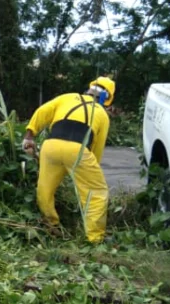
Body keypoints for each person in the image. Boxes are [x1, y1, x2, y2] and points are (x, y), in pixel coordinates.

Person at [21, 77, 115, 244]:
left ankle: (51, 227)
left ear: (88, 89)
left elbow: (42, 112)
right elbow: (97, 148)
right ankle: (95, 238)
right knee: (96, 193)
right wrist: (89, 171)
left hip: (50, 147)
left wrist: (29, 136)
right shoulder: (101, 114)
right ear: (106, 99)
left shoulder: (66, 97)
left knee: (45, 189)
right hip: (78, 151)